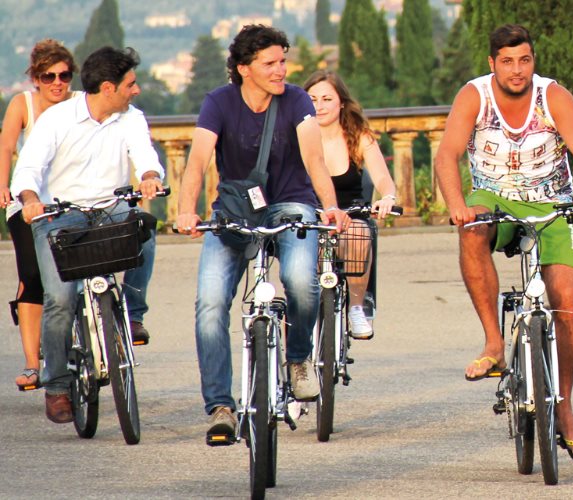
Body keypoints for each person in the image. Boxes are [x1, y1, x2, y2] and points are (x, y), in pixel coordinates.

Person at [434, 24, 573, 462]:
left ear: (533, 61)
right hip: (494, 200)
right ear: (492, 63)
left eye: (525, 60)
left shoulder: (553, 95)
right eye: (508, 61)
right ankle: (495, 344)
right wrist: (458, 204)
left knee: (567, 302)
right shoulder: (474, 95)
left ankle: (566, 408)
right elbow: (446, 155)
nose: (518, 71)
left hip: (553, 203)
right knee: (472, 230)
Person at [175, 25, 349, 442]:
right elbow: (198, 161)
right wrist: (185, 210)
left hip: (291, 204)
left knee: (302, 283)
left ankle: (300, 358)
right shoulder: (218, 102)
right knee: (211, 303)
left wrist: (329, 205)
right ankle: (220, 406)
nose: (281, 70)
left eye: (283, 61)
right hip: (235, 209)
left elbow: (313, 157)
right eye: (270, 63)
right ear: (243, 68)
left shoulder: (296, 101)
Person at [10, 46, 165, 424]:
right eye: (131, 84)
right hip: (60, 215)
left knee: (144, 230)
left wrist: (149, 177)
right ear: (109, 88)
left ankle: (132, 312)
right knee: (60, 299)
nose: (137, 90)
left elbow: (145, 156)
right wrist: (31, 201)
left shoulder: (131, 118)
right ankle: (58, 387)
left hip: (110, 208)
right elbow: (28, 170)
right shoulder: (57, 120)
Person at [0, 39, 80, 391]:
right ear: (36, 78)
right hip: (29, 203)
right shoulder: (24, 105)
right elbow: (6, 146)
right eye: (49, 76)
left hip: (71, 200)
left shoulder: (80, 104)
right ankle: (34, 364)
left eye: (64, 75)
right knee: (33, 276)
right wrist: (3, 186)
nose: (57, 83)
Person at [303, 70, 397, 339]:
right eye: (312, 99)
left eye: (326, 99)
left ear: (341, 102)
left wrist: (388, 197)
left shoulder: (357, 135)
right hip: (311, 216)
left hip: (351, 214)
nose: (319, 106)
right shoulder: (296, 136)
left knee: (359, 234)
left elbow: (382, 177)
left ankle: (357, 307)